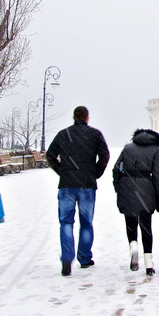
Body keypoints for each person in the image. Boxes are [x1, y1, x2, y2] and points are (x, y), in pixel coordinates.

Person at [46, 105, 110, 276]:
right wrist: (95, 173)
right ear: (87, 118)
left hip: (67, 184)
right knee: (86, 223)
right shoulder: (95, 135)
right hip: (87, 185)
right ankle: (84, 257)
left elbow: (50, 156)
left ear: (74, 117)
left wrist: (63, 171)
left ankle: (67, 258)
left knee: (66, 222)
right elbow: (105, 156)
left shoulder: (63, 134)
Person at [112, 128, 159, 276]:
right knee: (146, 227)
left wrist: (119, 187)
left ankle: (133, 248)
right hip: (146, 190)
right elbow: (157, 176)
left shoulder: (128, 148)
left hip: (127, 188)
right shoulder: (156, 150)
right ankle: (148, 263)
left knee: (131, 224)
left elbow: (116, 169)